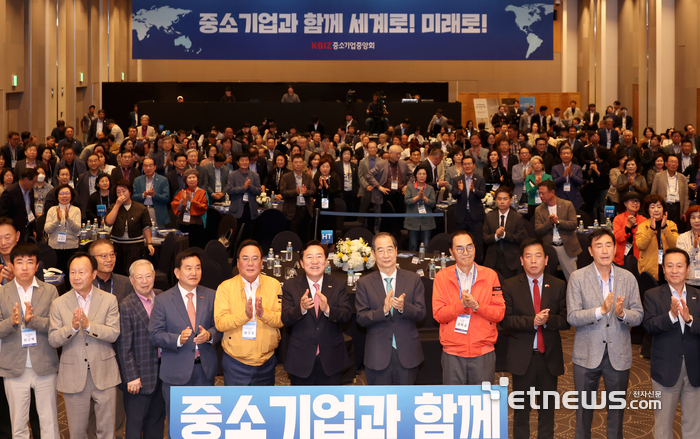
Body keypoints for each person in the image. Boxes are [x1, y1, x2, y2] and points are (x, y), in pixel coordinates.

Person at [567, 228, 644, 439]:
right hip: (586, 354)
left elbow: (638, 315)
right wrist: (600, 311)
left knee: (616, 415)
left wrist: (622, 314)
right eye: (598, 246)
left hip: (618, 356)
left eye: (608, 245)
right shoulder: (577, 277)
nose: (604, 250)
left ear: (615, 248)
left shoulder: (627, 278)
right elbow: (572, 316)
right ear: (591, 251)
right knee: (583, 414)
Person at [148, 251, 221, 438]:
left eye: (197, 268)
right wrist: (177, 340)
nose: (194, 272)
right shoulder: (163, 300)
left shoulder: (211, 295)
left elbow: (219, 327)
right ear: (177, 272)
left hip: (204, 370)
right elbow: (154, 335)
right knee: (179, 425)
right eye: (188, 268)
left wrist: (210, 335)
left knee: (206, 424)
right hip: (176, 373)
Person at [48, 252, 121, 439]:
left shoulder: (109, 300)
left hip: (104, 372)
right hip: (73, 374)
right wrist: (71, 329)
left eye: (82, 272)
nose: (77, 277)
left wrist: (89, 326)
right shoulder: (58, 303)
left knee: (107, 430)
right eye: (73, 272)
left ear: (94, 274)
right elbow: (53, 339)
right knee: (77, 432)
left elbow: (113, 333)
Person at [501, 238, 569, 439]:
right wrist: (533, 321)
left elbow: (566, 320)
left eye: (538, 256)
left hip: (549, 358)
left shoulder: (558, 285)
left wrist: (547, 321)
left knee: (547, 412)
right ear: (521, 260)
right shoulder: (511, 285)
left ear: (546, 260)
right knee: (521, 412)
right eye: (528, 256)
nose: (533, 261)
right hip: (522, 358)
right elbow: (505, 320)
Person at [0, 243, 60, 439]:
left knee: (49, 423)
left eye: (29, 262)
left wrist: (33, 321)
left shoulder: (50, 291)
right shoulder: (2, 292)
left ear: (37, 266)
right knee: (18, 425)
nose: (24, 268)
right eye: (19, 262)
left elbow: (56, 326)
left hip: (44, 364)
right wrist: (12, 322)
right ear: (12, 265)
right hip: (14, 367)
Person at [432, 230, 505, 385]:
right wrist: (461, 305)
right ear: (451, 252)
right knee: (454, 404)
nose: (465, 253)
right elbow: (439, 314)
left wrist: (478, 306)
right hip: (453, 351)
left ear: (475, 248)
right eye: (459, 249)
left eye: (469, 247)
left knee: (482, 404)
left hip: (483, 350)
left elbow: (499, 313)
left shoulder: (490, 275)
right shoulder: (441, 277)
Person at [643, 248, 700, 439]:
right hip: (665, 368)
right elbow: (649, 325)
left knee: (693, 423)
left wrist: (689, 319)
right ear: (663, 270)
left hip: (694, 367)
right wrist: (671, 316)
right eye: (669, 266)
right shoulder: (652, 295)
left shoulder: (697, 296)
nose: (674, 270)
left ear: (687, 269)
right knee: (663, 423)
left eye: (679, 265)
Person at [355, 232, 426, 384]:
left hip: (408, 353)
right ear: (374, 254)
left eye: (389, 249)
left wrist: (402, 307)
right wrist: (384, 311)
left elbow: (421, 313)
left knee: (405, 403)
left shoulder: (413, 279)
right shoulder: (364, 283)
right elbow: (361, 318)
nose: (386, 254)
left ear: (396, 250)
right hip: (377, 355)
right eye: (380, 250)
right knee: (380, 404)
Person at [282, 241, 351, 385]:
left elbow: (346, 315)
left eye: (319, 257)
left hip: (332, 358)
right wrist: (300, 308)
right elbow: (285, 318)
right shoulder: (290, 285)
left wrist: (328, 310)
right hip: (300, 359)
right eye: (309, 257)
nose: (314, 261)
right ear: (301, 262)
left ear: (326, 261)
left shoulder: (338, 284)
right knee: (301, 405)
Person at [214, 241, 282, 385]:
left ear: (262, 262)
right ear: (238, 263)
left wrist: (263, 313)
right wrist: (244, 316)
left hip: (266, 361)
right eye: (245, 259)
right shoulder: (225, 288)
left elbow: (281, 320)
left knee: (264, 406)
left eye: (255, 258)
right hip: (235, 362)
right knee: (237, 406)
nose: (250, 263)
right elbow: (220, 323)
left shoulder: (274, 285)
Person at [115, 259, 165, 439]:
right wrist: (131, 376)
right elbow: (124, 346)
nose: (145, 281)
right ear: (131, 280)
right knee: (135, 425)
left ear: (154, 276)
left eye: (148, 276)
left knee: (157, 420)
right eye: (139, 277)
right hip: (139, 377)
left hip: (163, 373)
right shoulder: (126, 305)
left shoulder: (162, 297)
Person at [104, 179, 155, 276]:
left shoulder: (141, 208)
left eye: (124, 191)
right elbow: (109, 222)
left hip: (135, 245)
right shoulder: (113, 207)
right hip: (117, 245)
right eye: (118, 192)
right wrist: (117, 205)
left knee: (134, 272)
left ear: (130, 191)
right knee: (118, 273)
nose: (121, 194)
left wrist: (149, 243)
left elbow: (146, 227)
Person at [534, 180, 581, 281]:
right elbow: (538, 230)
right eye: (539, 193)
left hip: (566, 247)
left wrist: (558, 222)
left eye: (543, 193)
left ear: (552, 192)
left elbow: (573, 224)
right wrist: (549, 222)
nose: (541, 196)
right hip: (549, 248)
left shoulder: (567, 205)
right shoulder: (539, 209)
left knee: (573, 280)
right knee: (546, 280)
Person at [483, 187, 529, 278]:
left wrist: (504, 235)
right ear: (495, 200)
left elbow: (520, 238)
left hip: (511, 260)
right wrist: (496, 236)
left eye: (505, 199)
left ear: (511, 200)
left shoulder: (517, 217)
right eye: (499, 199)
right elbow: (485, 238)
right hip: (492, 260)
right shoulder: (489, 217)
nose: (502, 202)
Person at [450, 156, 486, 264]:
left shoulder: (480, 179)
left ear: (474, 165)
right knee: (461, 242)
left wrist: (474, 190)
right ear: (462, 166)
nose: (467, 166)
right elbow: (454, 195)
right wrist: (460, 191)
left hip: (476, 217)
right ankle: (462, 263)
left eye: (469, 163)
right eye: (465, 164)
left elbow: (483, 194)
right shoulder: (457, 180)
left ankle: (478, 264)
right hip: (462, 216)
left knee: (477, 243)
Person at [637, 194, 679, 282]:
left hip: (669, 268)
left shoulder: (671, 224)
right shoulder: (643, 226)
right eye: (652, 207)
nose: (656, 210)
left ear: (663, 209)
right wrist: (651, 229)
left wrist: (665, 228)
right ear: (647, 210)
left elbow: (675, 245)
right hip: (649, 269)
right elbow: (640, 245)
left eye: (659, 207)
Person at [43, 184, 81, 273]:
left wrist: (68, 219)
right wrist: (57, 220)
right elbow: (47, 229)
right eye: (62, 193)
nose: (64, 196)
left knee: (70, 274)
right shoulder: (52, 210)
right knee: (55, 274)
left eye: (67, 193)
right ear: (57, 196)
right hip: (54, 249)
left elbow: (77, 229)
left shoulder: (76, 210)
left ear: (71, 196)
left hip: (71, 248)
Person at [280, 154, 316, 243]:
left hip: (306, 210)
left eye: (300, 162)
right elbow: (283, 192)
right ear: (292, 164)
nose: (298, 164)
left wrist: (305, 193)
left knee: (306, 237)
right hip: (292, 211)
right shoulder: (286, 177)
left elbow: (313, 190)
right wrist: (295, 192)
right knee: (293, 238)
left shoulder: (307, 176)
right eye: (296, 162)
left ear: (303, 164)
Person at [172, 169, 208, 247]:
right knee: (184, 245)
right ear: (186, 180)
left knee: (196, 245)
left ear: (197, 179)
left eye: (194, 177)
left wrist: (192, 201)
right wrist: (182, 201)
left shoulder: (202, 192)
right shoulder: (181, 192)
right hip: (183, 222)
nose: (192, 180)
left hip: (197, 223)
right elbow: (176, 207)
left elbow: (203, 207)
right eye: (189, 178)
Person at [0, 168, 38, 242]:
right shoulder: (10, 192)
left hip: (27, 229)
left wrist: (33, 228)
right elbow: (3, 215)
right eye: (33, 182)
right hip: (15, 230)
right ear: (26, 179)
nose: (34, 184)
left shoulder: (30, 190)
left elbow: (31, 210)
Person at [404, 167, 436, 251]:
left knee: (426, 246)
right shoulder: (410, 187)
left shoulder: (430, 188)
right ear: (416, 176)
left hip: (427, 221)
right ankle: (412, 263)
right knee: (413, 245)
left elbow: (433, 203)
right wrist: (418, 197)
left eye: (424, 174)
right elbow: (407, 201)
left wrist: (424, 198)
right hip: (412, 221)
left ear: (426, 176)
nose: (422, 176)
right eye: (419, 174)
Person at [132, 157, 170, 228]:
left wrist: (154, 195)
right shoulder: (137, 180)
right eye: (146, 166)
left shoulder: (163, 180)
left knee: (158, 236)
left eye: (150, 165)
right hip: (142, 211)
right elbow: (133, 197)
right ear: (143, 167)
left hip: (157, 212)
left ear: (155, 167)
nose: (148, 168)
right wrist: (143, 194)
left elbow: (166, 198)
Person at [651, 155, 688, 228]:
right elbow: (653, 193)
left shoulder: (683, 178)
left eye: (675, 162)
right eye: (671, 162)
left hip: (677, 207)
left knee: (676, 229)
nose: (673, 164)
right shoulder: (658, 176)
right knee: (662, 228)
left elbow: (686, 197)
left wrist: (685, 212)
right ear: (666, 164)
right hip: (663, 206)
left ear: (678, 164)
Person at [612, 191, 646, 266]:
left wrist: (635, 226)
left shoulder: (644, 220)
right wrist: (628, 225)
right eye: (632, 200)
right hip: (620, 258)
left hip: (639, 259)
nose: (635, 203)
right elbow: (618, 238)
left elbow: (644, 240)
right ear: (625, 204)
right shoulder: (618, 219)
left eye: (637, 201)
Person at [312, 157, 341, 239]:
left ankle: (330, 246)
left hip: (330, 207)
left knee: (329, 230)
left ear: (330, 168)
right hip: (318, 207)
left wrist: (327, 187)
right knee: (318, 229)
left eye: (327, 166)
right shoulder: (316, 178)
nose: (325, 169)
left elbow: (336, 194)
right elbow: (313, 194)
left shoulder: (334, 178)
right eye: (323, 166)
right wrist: (320, 187)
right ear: (319, 168)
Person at [677, 205, 700, 287]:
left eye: (699, 217)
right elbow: (681, 261)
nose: (697, 221)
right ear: (689, 220)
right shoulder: (682, 238)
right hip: (688, 282)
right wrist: (693, 248)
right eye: (693, 218)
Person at [334, 146, 359, 213]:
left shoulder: (354, 165)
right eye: (345, 154)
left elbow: (356, 179)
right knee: (342, 207)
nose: (346, 156)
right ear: (341, 155)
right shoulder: (336, 165)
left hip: (352, 190)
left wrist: (357, 191)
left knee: (351, 208)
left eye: (348, 154)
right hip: (341, 190)